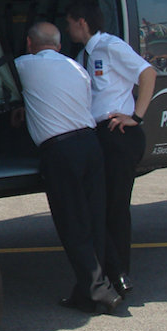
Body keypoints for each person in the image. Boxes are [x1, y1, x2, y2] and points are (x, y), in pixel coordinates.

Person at [13, 22, 122, 314]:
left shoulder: (23, 65)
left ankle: (101, 291)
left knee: (72, 224)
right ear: (59, 47)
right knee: (93, 221)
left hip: (61, 151)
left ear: (28, 44)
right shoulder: (78, 69)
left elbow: (3, 81)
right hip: (91, 145)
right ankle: (86, 293)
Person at [66, 0, 157, 297]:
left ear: (82, 22)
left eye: (69, 23)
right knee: (98, 207)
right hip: (98, 135)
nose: (68, 29)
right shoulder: (82, 56)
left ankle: (120, 275)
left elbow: (147, 73)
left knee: (115, 208)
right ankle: (110, 272)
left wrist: (137, 117)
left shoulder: (110, 46)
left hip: (119, 133)